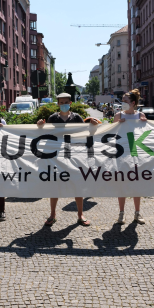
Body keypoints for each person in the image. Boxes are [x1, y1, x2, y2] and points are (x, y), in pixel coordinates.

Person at [37, 92, 100, 227]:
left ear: (70, 103)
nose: (64, 105)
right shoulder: (53, 118)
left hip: (74, 156)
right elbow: (46, 135)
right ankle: (52, 215)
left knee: (77, 185)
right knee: (55, 185)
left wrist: (93, 126)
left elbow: (85, 134)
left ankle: (80, 215)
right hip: (57, 157)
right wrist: (40, 127)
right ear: (58, 104)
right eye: (61, 103)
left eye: (66, 102)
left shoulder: (77, 117)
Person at [113, 89, 147, 225]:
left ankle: (137, 213)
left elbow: (147, 134)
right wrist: (116, 125)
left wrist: (145, 123)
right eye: (122, 101)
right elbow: (110, 134)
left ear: (133, 103)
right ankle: (121, 213)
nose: (123, 103)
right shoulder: (118, 115)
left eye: (125, 101)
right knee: (122, 183)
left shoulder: (140, 116)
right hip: (121, 153)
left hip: (136, 153)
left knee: (136, 183)